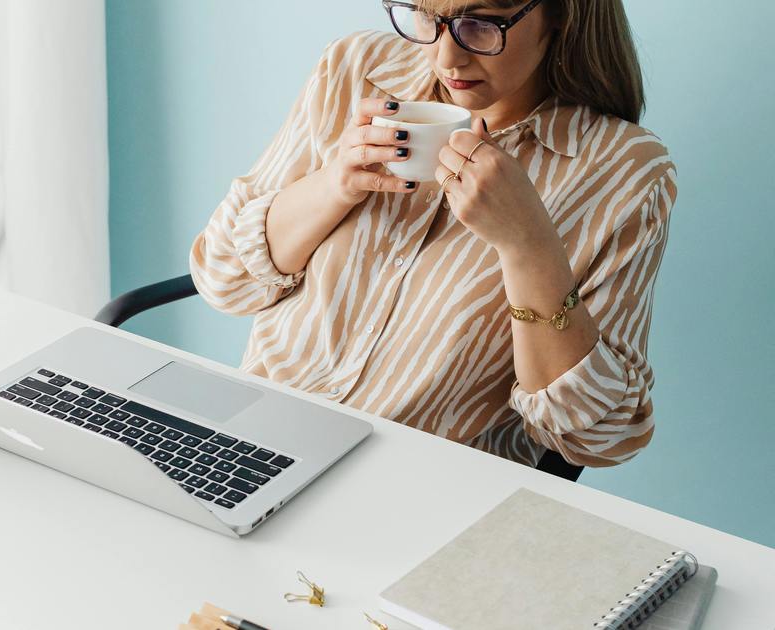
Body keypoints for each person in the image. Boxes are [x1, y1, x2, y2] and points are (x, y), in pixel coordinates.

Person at [189, 0, 675, 468]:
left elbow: (602, 439)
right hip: (248, 440)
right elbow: (222, 277)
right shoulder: (355, 68)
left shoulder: (624, 170)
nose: (448, 56)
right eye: (424, 15)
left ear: (562, 13)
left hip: (416, 492)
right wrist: (334, 183)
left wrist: (528, 246)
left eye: (482, 22)